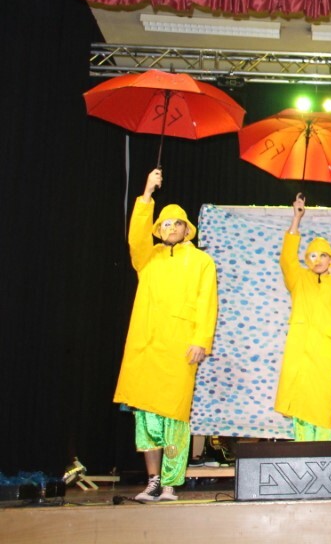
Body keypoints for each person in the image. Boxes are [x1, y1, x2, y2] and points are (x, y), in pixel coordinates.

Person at [113, 168, 218, 502]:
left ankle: (171, 483)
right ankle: (153, 480)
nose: (171, 228)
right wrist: (147, 193)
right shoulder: (148, 259)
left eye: (177, 224)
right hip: (146, 347)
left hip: (179, 349)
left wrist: (201, 341)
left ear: (187, 229)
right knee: (146, 418)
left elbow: (208, 304)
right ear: (159, 230)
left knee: (174, 417)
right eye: (166, 224)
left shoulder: (202, 262)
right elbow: (136, 238)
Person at [275, 194, 331, 441]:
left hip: (327, 359)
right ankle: (302, 461)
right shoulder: (299, 280)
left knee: (323, 413)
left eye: (323, 255)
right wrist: (296, 220)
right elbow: (286, 260)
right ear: (307, 260)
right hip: (300, 356)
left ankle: (321, 460)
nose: (318, 260)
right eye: (313, 255)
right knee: (301, 414)